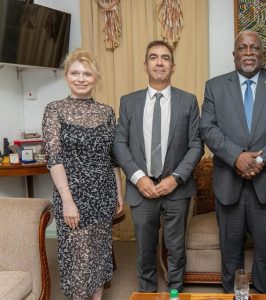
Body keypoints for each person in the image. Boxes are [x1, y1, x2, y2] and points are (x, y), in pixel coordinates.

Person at [199, 30, 266, 293]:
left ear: (262, 53)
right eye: (242, 48)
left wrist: (260, 159)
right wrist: (237, 157)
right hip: (228, 183)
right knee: (230, 254)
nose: (248, 53)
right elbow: (208, 128)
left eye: (254, 48)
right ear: (234, 55)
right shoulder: (215, 86)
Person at [113, 40, 203, 292]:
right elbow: (119, 143)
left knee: (176, 248)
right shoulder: (129, 102)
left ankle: (175, 291)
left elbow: (196, 145)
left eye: (165, 58)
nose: (160, 62)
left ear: (173, 66)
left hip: (176, 188)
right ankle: (147, 293)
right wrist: (138, 177)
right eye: (154, 57)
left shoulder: (188, 101)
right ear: (145, 65)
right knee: (144, 249)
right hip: (141, 188)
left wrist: (175, 178)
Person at [42, 49, 124, 300]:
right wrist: (67, 199)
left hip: (103, 193)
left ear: (95, 78)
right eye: (75, 73)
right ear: (66, 76)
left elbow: (113, 158)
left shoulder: (107, 112)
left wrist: (119, 193)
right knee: (78, 260)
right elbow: (54, 158)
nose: (81, 78)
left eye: (87, 73)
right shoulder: (54, 110)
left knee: (99, 255)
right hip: (73, 195)